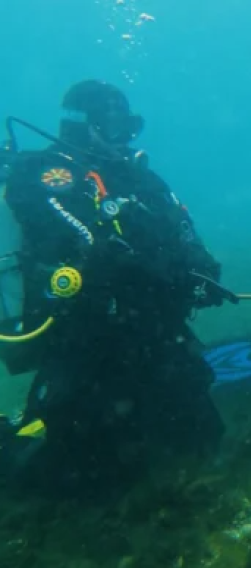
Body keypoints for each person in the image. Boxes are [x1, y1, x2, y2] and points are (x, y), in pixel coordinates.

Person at [0, 80, 227, 490]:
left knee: (200, 435)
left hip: (153, 333)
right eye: (113, 125)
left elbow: (181, 227)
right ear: (81, 125)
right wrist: (132, 261)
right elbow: (78, 245)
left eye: (129, 126)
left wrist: (201, 267)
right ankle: (20, 434)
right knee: (80, 478)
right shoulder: (44, 175)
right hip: (83, 342)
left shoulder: (141, 178)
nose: (124, 137)